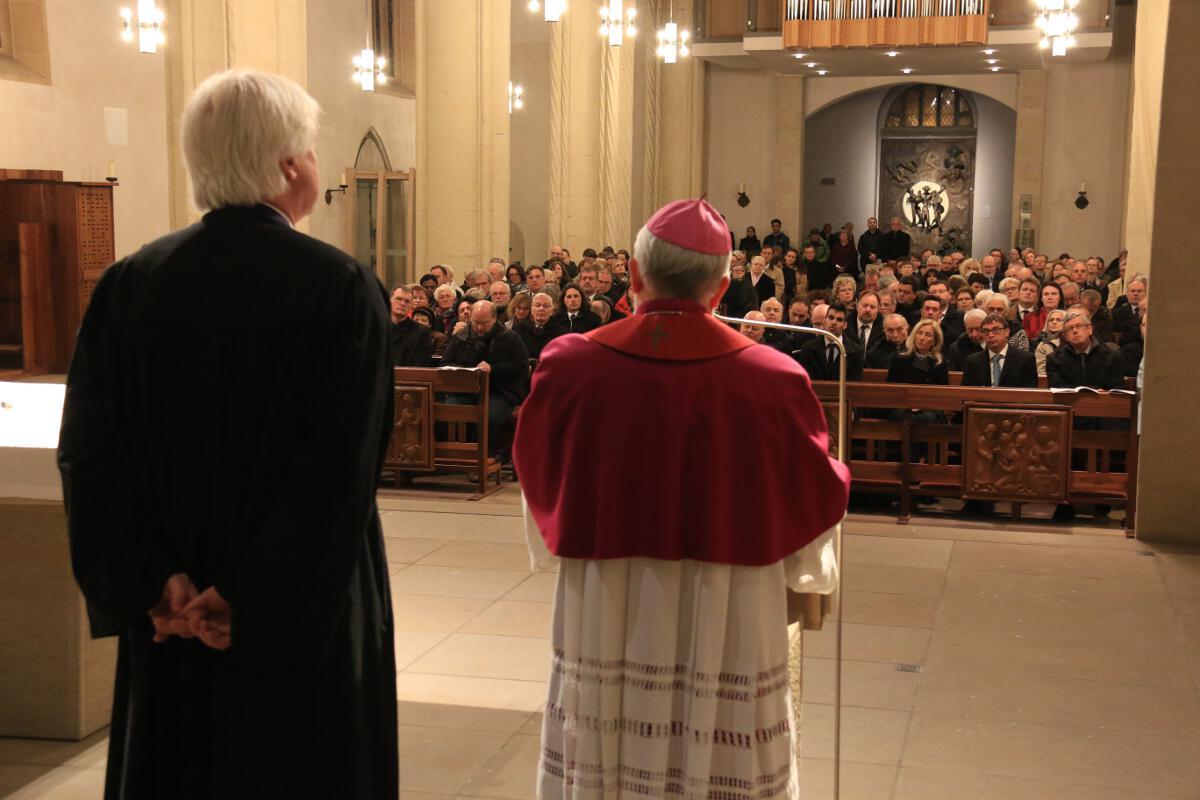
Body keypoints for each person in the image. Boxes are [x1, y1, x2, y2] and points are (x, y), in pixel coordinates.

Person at [57, 69, 398, 798]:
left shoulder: (129, 283)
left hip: (172, 616)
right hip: (296, 621)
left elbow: (90, 454)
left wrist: (154, 581)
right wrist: (249, 594)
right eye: (309, 150)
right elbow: (339, 467)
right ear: (286, 164)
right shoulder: (337, 285)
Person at [514, 198, 849, 800]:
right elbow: (813, 497)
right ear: (722, 289)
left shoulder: (570, 366)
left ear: (636, 278)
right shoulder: (775, 380)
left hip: (606, 595)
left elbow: (536, 464)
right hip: (733, 601)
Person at [442, 300, 530, 455]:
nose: (479, 327)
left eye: (484, 323)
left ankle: (480, 457)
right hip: (466, 390)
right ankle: (454, 454)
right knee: (451, 408)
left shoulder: (510, 338)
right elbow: (445, 362)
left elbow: (521, 366)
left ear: (495, 319)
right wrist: (466, 370)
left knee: (488, 415)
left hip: (500, 391)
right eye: (476, 322)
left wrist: (493, 369)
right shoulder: (461, 336)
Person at [1046, 310, 1125, 390]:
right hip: (1069, 401)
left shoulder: (1111, 357)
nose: (1075, 331)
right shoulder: (1055, 359)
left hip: (1102, 401)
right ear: (1065, 336)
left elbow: (1117, 388)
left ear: (1089, 329)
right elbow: (1057, 388)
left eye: (1078, 326)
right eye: (1070, 328)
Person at [962, 313, 1038, 387]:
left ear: (1007, 331)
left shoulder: (1025, 359)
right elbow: (967, 392)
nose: (990, 335)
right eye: (986, 331)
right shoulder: (973, 361)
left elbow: (1029, 393)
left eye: (996, 330)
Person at [796, 303, 865, 381]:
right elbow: (805, 380)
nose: (834, 322)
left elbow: (854, 384)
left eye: (839, 319)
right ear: (825, 321)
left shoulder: (856, 352)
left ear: (845, 325)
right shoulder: (808, 348)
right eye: (831, 318)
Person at [391, 284, 434, 366]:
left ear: (411, 305)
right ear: (389, 301)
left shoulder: (422, 332)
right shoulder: (377, 328)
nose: (402, 304)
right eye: (398, 299)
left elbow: (420, 366)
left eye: (407, 301)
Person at [514, 292, 566, 358]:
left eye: (546, 306)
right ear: (531, 309)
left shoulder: (561, 334)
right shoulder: (518, 330)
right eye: (537, 305)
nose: (541, 309)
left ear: (552, 311)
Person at [1033, 308, 1067, 377]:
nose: (1054, 322)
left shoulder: (1071, 340)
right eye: (1051, 320)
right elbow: (1041, 372)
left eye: (1058, 320)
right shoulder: (1042, 344)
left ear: (1066, 322)